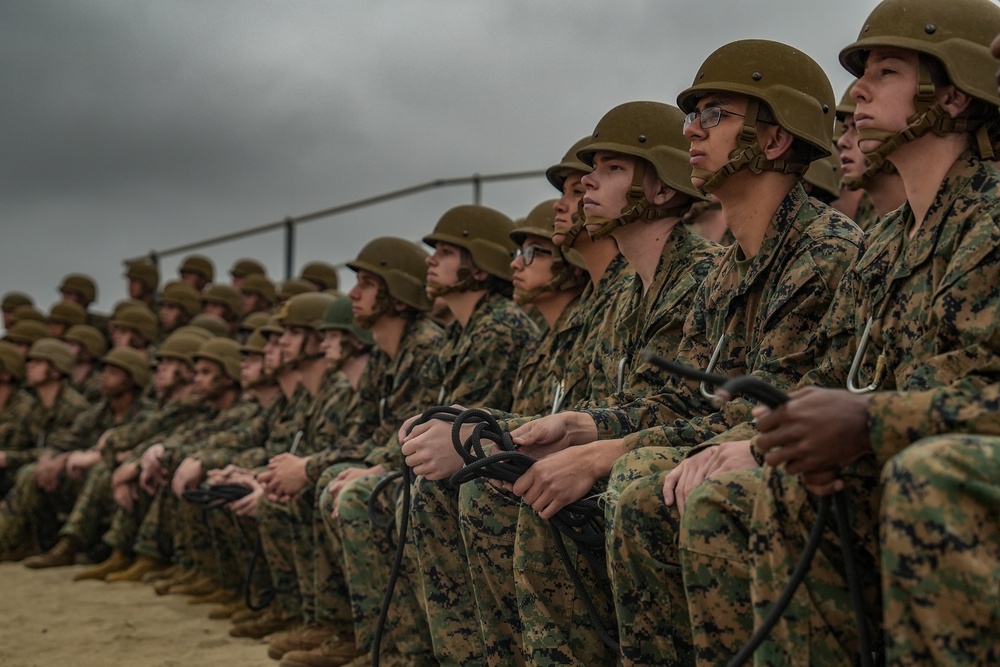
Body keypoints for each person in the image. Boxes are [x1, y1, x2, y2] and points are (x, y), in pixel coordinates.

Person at [681, 3, 1000, 664]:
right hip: (900, 451)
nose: (857, 88)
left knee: (925, 472)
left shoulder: (990, 217)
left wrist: (868, 418)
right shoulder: (882, 242)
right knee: (781, 479)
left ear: (957, 92)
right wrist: (780, 438)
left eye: (886, 71)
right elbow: (831, 380)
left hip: (942, 462)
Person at [20, 347, 151, 568]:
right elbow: (65, 439)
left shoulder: (146, 414)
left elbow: (135, 451)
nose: (104, 377)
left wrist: (86, 457)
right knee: (32, 472)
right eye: (105, 371)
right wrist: (50, 459)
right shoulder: (98, 411)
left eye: (114, 373)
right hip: (87, 477)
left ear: (132, 380)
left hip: (126, 483)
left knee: (99, 473)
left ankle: (70, 544)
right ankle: (42, 540)